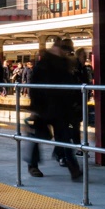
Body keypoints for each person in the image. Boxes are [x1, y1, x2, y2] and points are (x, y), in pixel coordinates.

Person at [26, 37, 82, 180]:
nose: (66, 53)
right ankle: (32, 165)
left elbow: (69, 86)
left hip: (60, 108)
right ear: (57, 48)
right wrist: (34, 109)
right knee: (39, 137)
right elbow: (34, 87)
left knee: (64, 137)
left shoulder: (64, 64)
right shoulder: (43, 63)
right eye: (65, 50)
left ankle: (73, 167)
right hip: (43, 108)